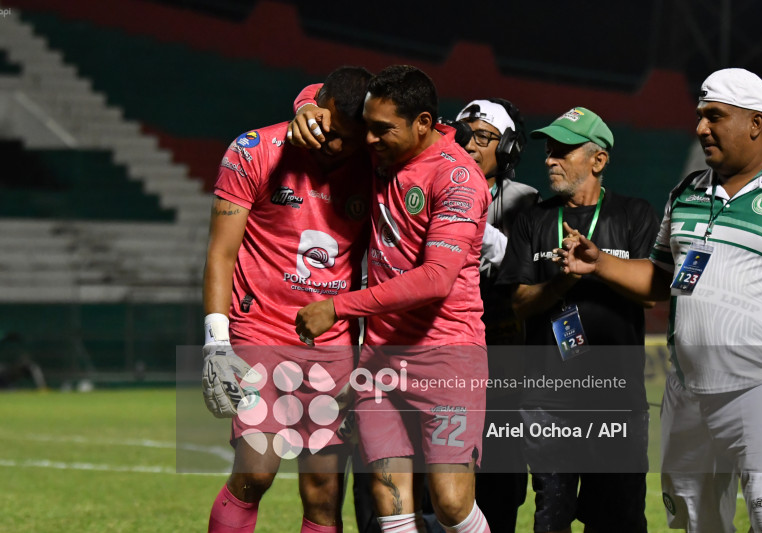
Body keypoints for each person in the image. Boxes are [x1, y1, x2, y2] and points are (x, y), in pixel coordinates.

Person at [560, 68, 762, 533]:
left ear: (756, 123)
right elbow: (662, 278)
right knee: (698, 524)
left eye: (714, 116)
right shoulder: (686, 193)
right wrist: (601, 264)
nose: (700, 128)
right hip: (687, 394)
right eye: (699, 117)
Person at [293, 65, 492, 533]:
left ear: (423, 122)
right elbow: (320, 92)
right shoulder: (384, 155)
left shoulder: (459, 180)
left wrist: (339, 306)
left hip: (446, 359)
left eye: (383, 130)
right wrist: (305, 106)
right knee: (390, 501)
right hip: (381, 363)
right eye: (368, 127)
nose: (370, 140)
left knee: (450, 504)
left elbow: (436, 279)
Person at [201, 65, 374, 533]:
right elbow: (221, 252)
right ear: (321, 107)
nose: (336, 146)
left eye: (350, 139)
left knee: (323, 495)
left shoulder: (375, 167)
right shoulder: (254, 150)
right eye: (332, 131)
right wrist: (216, 344)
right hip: (260, 331)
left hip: (332, 342)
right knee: (256, 470)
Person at [496, 107, 658, 533]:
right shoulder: (533, 220)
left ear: (598, 160)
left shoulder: (635, 215)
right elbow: (518, 304)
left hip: (618, 402)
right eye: (549, 151)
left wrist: (598, 264)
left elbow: (651, 295)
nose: (549, 159)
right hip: (548, 404)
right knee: (552, 518)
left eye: (563, 151)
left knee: (619, 521)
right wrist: (563, 281)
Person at [454, 99, 538, 531]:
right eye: (463, 131)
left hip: (502, 368)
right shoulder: (432, 184)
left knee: (499, 493)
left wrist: (457, 223)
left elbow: (518, 263)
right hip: (440, 360)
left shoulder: (524, 200)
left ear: (506, 148)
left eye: (484, 136)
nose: (469, 142)